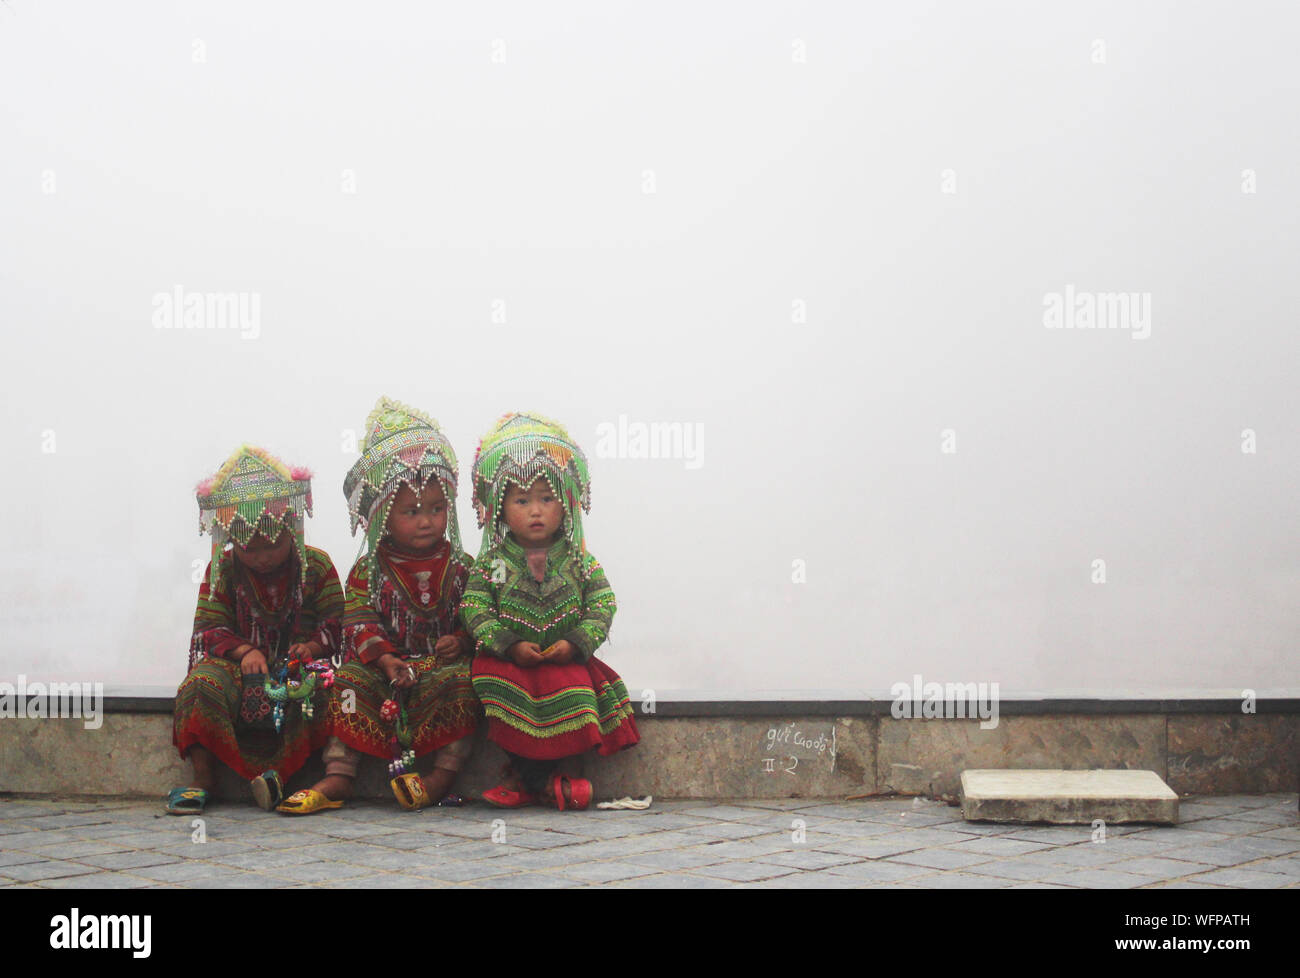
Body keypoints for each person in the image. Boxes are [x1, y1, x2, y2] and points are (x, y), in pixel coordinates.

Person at [282, 397, 480, 814]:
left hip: (437, 670)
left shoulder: (463, 567)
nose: (426, 519)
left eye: (437, 508)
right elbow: (356, 623)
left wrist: (460, 641)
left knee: (465, 681)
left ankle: (441, 778)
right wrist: (387, 660)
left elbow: (479, 614)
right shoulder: (367, 572)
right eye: (411, 511)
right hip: (383, 674)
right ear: (382, 516)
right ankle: (339, 776)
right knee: (348, 682)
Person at [461, 412, 639, 810]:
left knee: (575, 694)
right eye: (522, 500)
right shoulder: (496, 560)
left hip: (564, 658)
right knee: (501, 692)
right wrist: (507, 644)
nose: (535, 511)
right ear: (501, 507)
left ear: (567, 505)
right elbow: (474, 605)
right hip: (509, 662)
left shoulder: (578, 561)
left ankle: (562, 775)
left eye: (546, 498)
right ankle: (528, 779)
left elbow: (603, 602)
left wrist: (575, 643)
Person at [169, 446, 342, 815]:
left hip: (299, 667)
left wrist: (312, 647)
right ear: (230, 539)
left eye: (273, 544)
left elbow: (338, 624)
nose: (263, 556)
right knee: (200, 685)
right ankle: (203, 777)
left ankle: (289, 777)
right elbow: (209, 628)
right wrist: (244, 652)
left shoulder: (318, 566)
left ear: (292, 530)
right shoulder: (223, 569)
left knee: (324, 691)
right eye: (250, 547)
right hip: (238, 666)